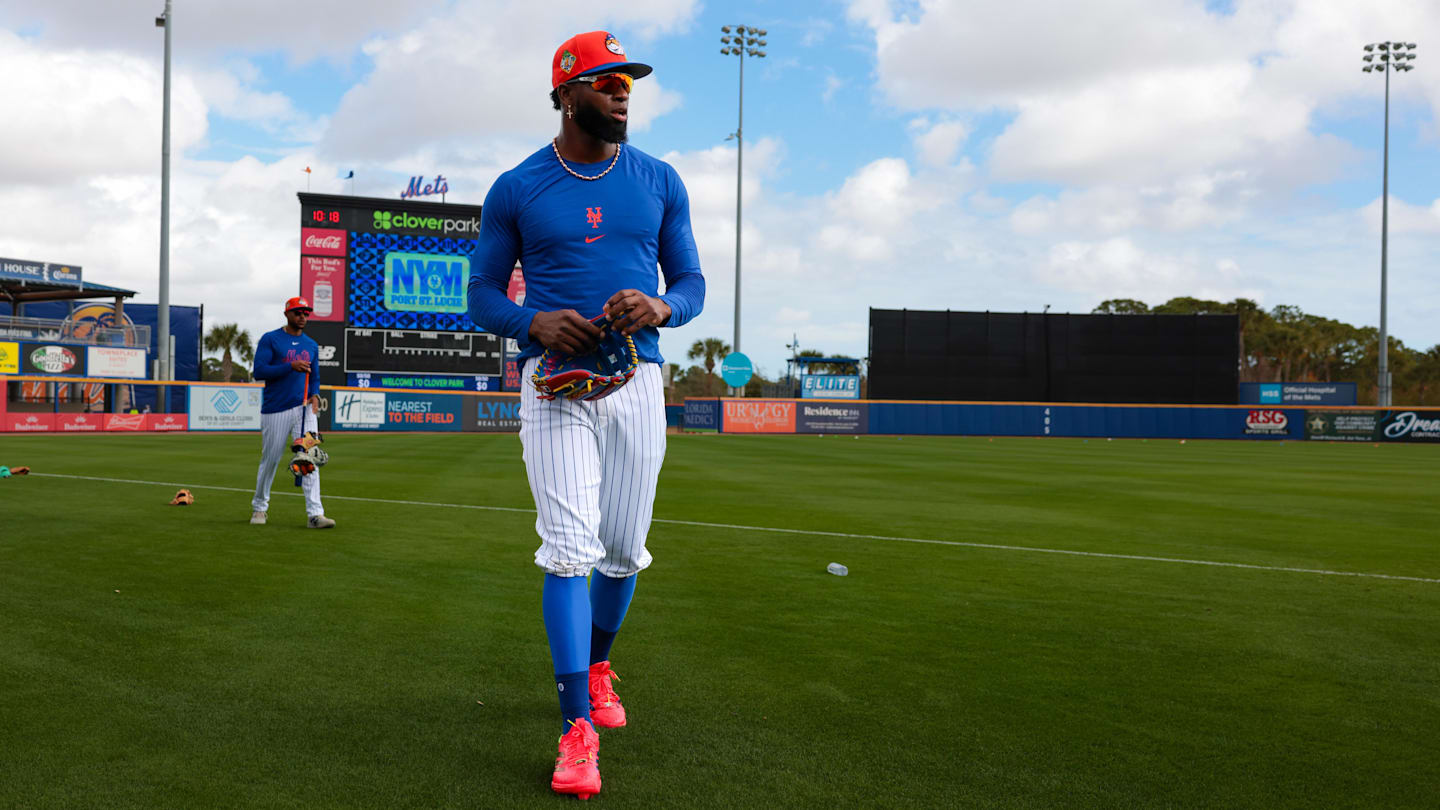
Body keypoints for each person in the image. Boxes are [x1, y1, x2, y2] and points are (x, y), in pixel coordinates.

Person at [466, 30, 704, 800]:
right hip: (553, 385)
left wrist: (662, 304)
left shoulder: (660, 180)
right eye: (605, 81)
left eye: (628, 82)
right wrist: (530, 323)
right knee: (567, 549)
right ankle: (577, 728)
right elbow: (481, 296)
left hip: (637, 382)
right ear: (566, 93)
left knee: (623, 550)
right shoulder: (518, 187)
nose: (622, 92)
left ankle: (599, 663)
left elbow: (692, 281)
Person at [249, 296, 334, 529]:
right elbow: (260, 371)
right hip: (276, 408)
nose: (303, 316)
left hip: (304, 409)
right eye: (298, 312)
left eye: (306, 313)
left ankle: (315, 514)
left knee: (309, 458)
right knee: (271, 460)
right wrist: (290, 366)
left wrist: (315, 394)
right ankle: (260, 507)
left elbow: (314, 377)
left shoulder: (311, 345)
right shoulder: (271, 339)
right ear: (287, 314)